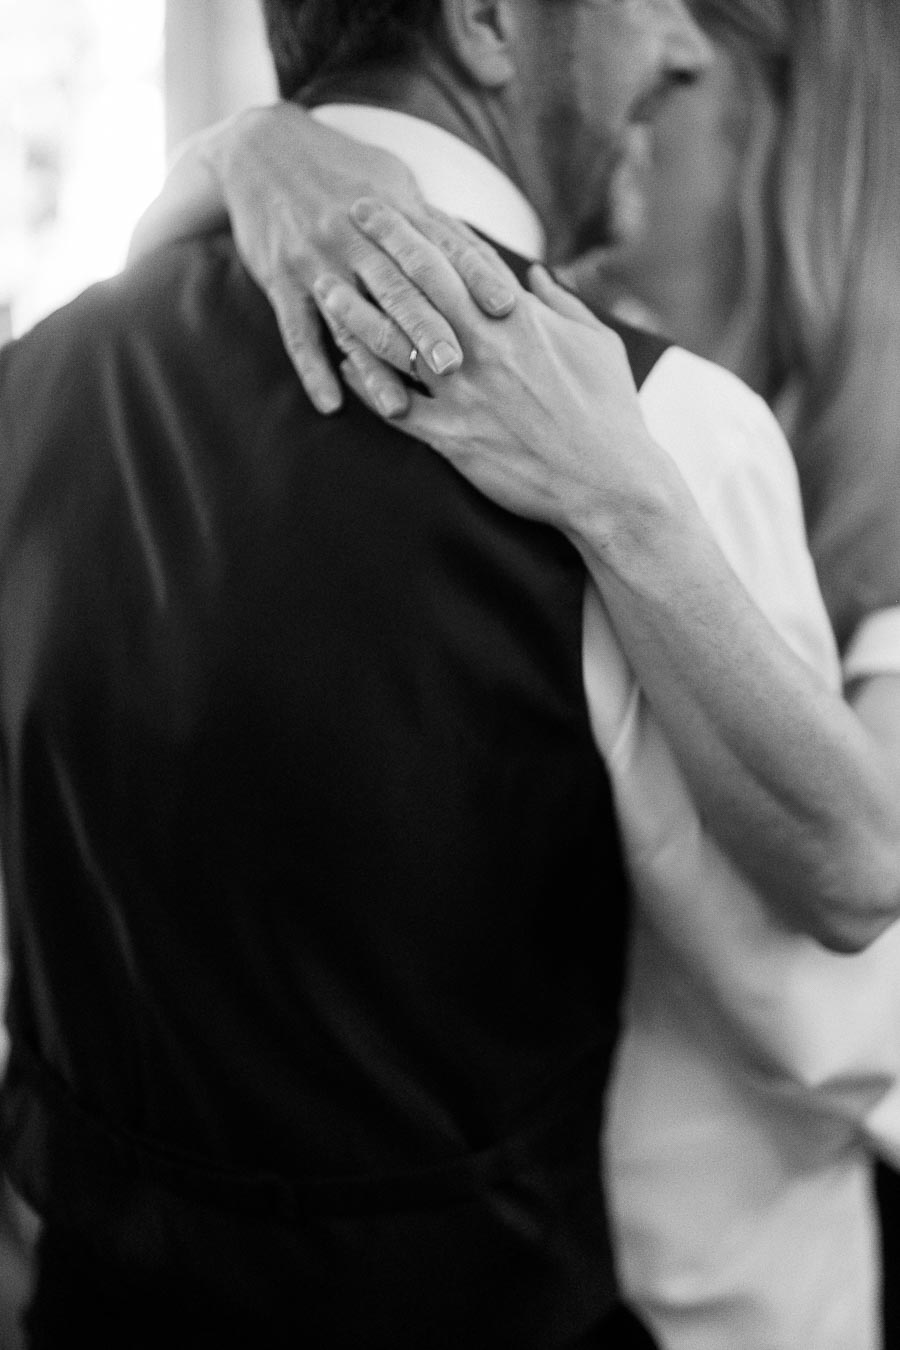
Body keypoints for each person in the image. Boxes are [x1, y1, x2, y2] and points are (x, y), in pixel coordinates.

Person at [123, 0, 900, 1346]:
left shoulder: (682, 434)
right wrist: (251, 151)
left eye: (699, 27)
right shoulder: (550, 354)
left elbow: (848, 976)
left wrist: (630, 499)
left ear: (799, 148)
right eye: (655, 13)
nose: (671, 58)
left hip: (724, 1280)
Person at [0, 1, 744, 1346]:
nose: (686, 47)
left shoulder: (29, 386)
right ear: (487, 21)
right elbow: (791, 980)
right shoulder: (672, 432)